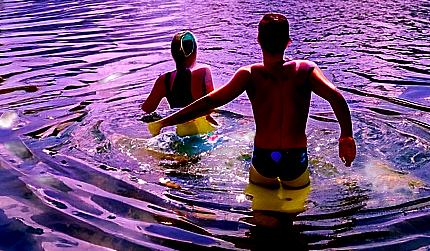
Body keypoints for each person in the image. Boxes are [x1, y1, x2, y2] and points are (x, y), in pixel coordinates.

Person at [148, 14, 356, 186]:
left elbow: (207, 103)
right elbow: (336, 98)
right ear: (288, 42)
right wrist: (346, 137)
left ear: (258, 41)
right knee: (295, 215)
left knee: (258, 218)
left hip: (264, 158)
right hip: (296, 158)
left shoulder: (249, 74)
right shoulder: (305, 70)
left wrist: (164, 122)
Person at [142, 31, 217, 135]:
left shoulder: (164, 80)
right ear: (195, 52)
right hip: (203, 129)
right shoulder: (204, 71)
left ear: (173, 54)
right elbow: (213, 104)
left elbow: (147, 108)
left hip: (180, 131)